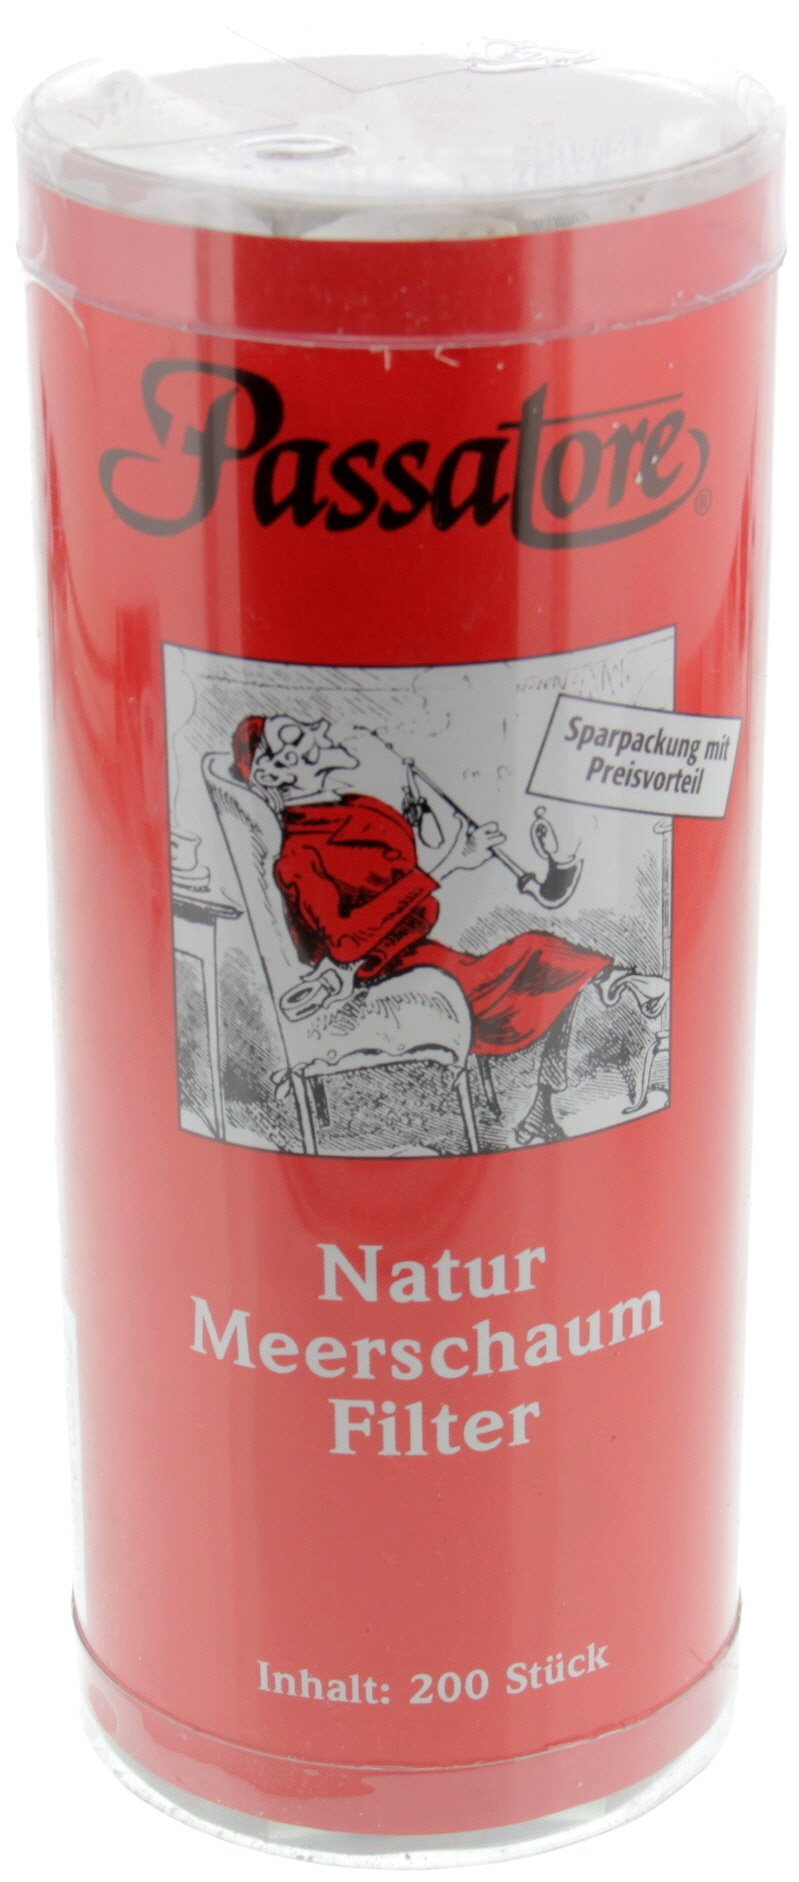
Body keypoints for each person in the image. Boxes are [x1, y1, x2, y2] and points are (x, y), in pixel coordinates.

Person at [231, 713, 666, 1145]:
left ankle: (555, 1088)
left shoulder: (355, 807)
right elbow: (345, 943)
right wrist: (450, 862)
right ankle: (617, 987)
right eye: (295, 734)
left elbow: (404, 876)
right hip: (383, 973)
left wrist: (459, 853)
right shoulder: (300, 854)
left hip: (421, 954)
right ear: (272, 772)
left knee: (543, 959)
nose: (319, 727)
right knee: (540, 956)